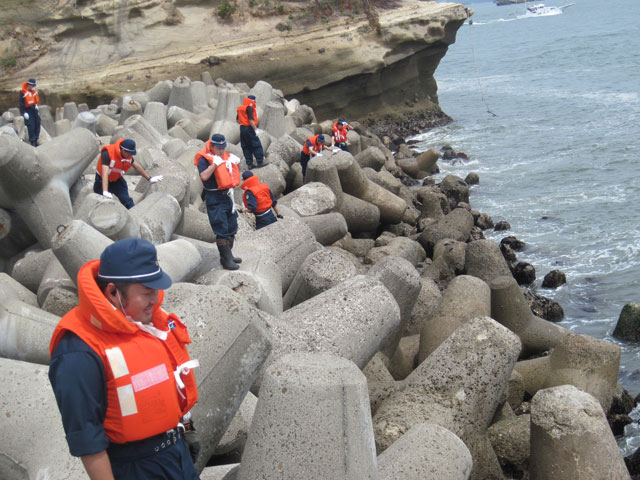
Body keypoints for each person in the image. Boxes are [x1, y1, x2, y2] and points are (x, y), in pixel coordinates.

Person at [48, 238, 201, 480]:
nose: (156, 299)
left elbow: (171, 383)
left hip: (177, 454)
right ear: (112, 292)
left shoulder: (149, 324)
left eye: (156, 289)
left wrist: (187, 430)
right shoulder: (78, 352)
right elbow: (88, 439)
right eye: (147, 292)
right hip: (133, 468)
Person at [194, 133, 242, 270]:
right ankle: (225, 259)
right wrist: (215, 164)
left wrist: (234, 162)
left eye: (223, 148)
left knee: (232, 226)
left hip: (228, 196)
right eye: (219, 148)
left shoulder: (226, 156)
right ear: (212, 146)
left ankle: (229, 255)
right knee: (221, 228)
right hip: (214, 197)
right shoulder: (204, 159)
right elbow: (203, 176)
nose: (221, 151)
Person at [94, 138, 163, 209]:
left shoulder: (128, 156)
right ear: (123, 150)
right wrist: (105, 191)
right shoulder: (108, 153)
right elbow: (105, 173)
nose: (131, 155)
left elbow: (137, 167)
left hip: (116, 180)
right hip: (102, 180)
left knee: (126, 200)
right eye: (129, 153)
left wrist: (149, 178)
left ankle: (134, 214)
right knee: (101, 203)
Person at [236, 95, 266, 169]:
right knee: (256, 144)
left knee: (245, 146)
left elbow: (237, 120)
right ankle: (260, 161)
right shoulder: (249, 108)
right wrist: (256, 129)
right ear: (253, 101)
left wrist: (243, 122)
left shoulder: (241, 108)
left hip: (242, 128)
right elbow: (251, 121)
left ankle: (249, 164)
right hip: (249, 128)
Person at [19, 78, 41, 146]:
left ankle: (36, 139)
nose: (33, 87)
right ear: (29, 85)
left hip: (34, 109)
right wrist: (24, 112)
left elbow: (35, 101)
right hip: (27, 110)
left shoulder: (33, 92)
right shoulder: (23, 93)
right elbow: (21, 104)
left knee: (37, 123)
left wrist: (36, 106)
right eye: (32, 85)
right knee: (31, 125)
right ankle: (32, 141)